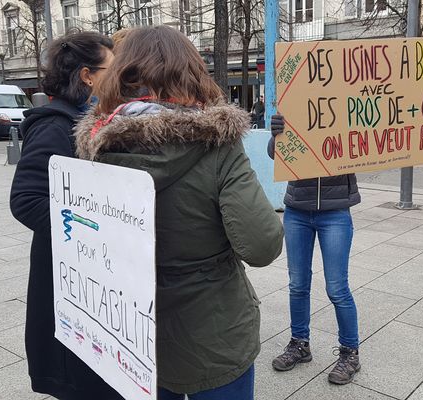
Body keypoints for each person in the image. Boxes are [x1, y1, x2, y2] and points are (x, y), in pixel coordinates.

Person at [74, 26, 284, 399]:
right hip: (215, 333)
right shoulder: (218, 145)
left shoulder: (97, 147)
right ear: (190, 72)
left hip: (134, 336)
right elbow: (262, 245)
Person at [9, 32, 122, 400]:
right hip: (65, 272)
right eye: (112, 68)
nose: (118, 75)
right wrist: (89, 227)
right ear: (88, 75)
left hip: (84, 271)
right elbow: (25, 199)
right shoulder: (55, 125)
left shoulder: (86, 118)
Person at [267, 114, 362, 385]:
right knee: (297, 284)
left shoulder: (347, 109)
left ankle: (350, 353)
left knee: (337, 287)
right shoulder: (296, 106)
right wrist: (277, 134)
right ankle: (300, 344)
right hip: (297, 210)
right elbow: (276, 155)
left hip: (335, 213)